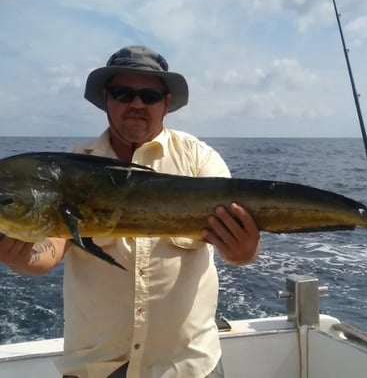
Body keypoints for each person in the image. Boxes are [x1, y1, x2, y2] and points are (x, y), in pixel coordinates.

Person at [0, 46, 260, 378]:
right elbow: (47, 252)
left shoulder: (199, 160)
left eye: (149, 95)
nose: (136, 104)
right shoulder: (69, 168)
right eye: (124, 93)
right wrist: (16, 254)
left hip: (186, 366)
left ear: (165, 103)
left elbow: (239, 250)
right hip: (96, 368)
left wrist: (244, 250)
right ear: (107, 98)